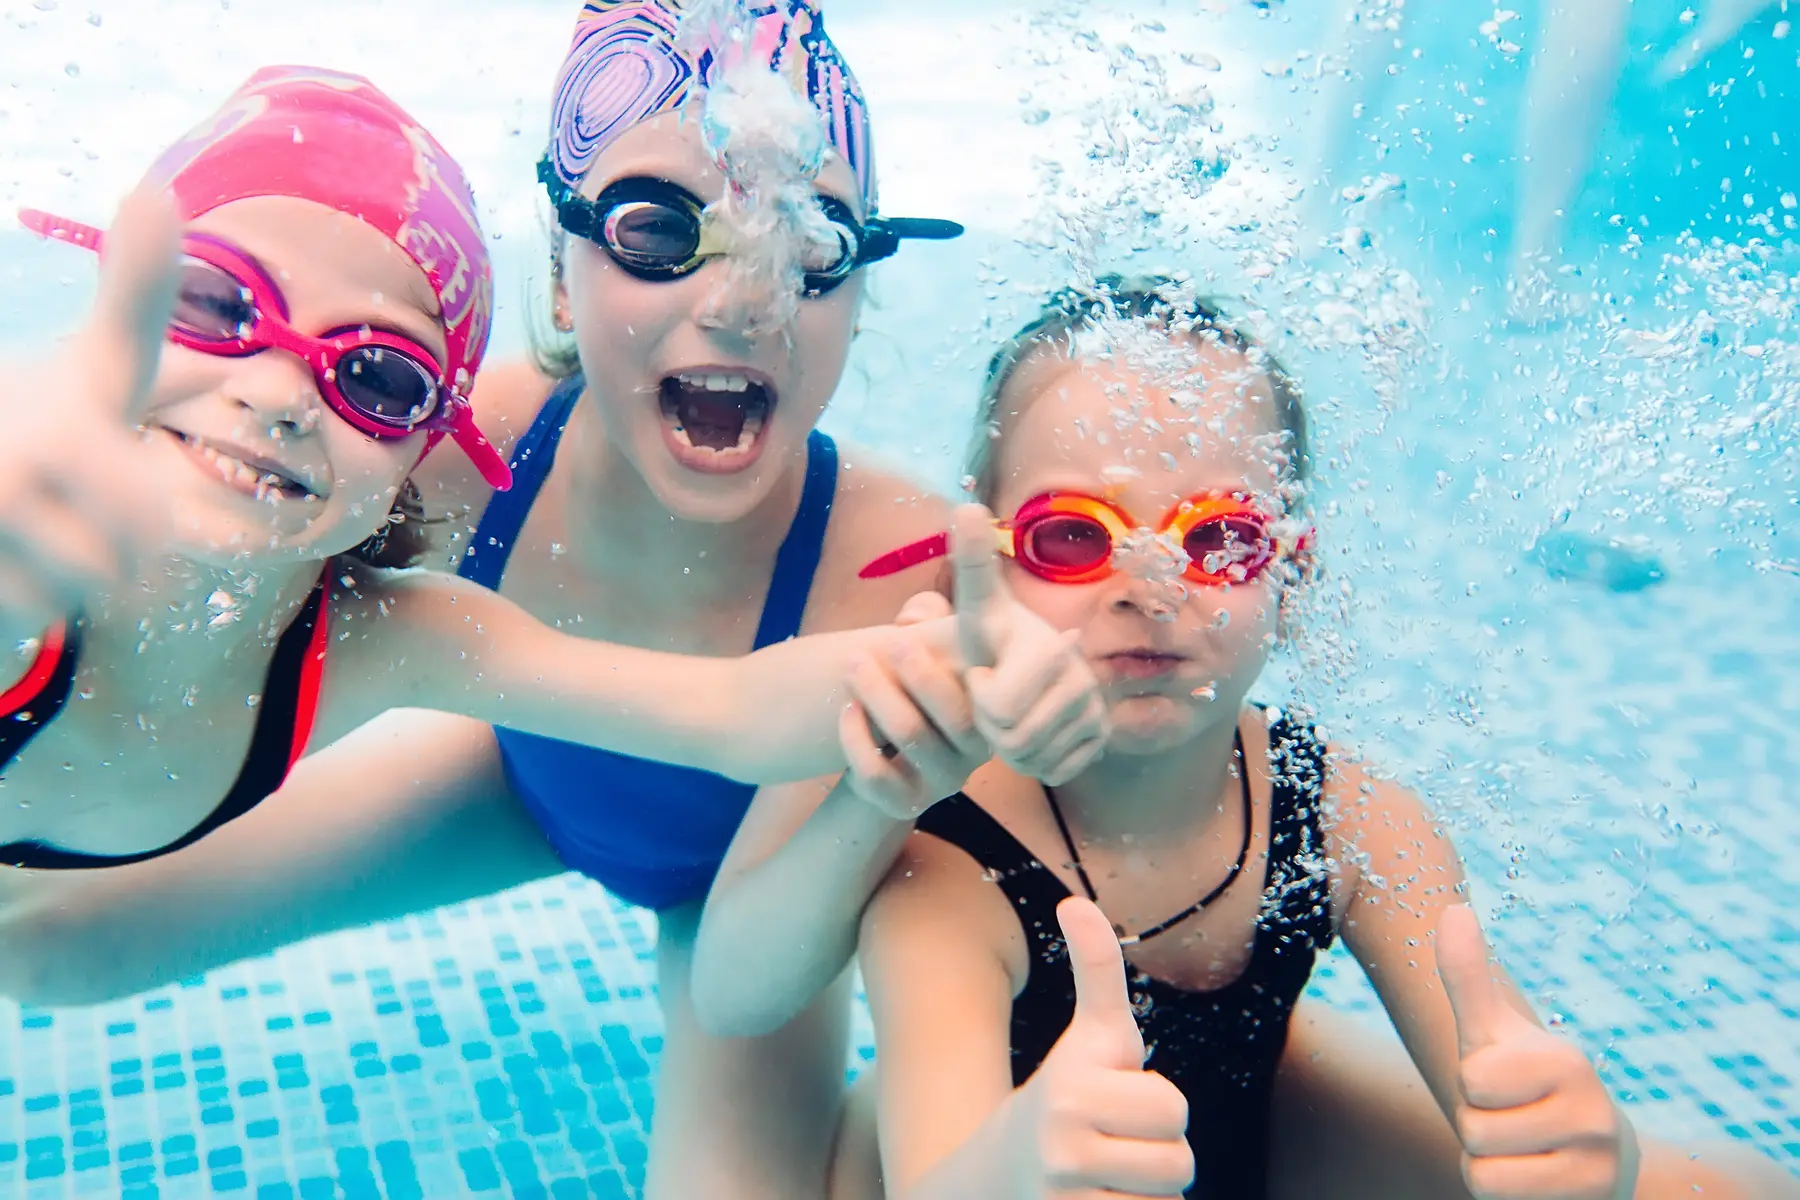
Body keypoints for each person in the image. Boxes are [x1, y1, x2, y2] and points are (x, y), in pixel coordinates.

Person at [0, 5, 1098, 1197]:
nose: (743, 302)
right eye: (655, 227)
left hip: (740, 894)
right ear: (564, 285)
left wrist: (1022, 674)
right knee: (52, 949)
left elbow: (1036, 701)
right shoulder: (446, 443)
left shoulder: (916, 557)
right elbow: (241, 499)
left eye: (811, 241)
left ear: (856, 294)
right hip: (524, 783)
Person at [701, 276, 1784, 1199]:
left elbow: (1506, 1086)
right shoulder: (952, 860)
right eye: (1075, 535)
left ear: (1294, 571)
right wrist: (1016, 1163)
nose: (1148, 586)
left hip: (1253, 1126)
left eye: (1220, 539)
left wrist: (1591, 1150)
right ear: (984, 553)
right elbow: (937, 1176)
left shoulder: (1348, 815)